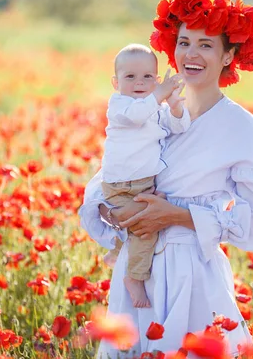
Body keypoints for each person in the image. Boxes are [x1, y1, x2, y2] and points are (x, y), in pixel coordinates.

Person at [79, 0, 253, 357]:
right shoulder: (151, 110)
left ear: (228, 56)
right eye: (184, 41)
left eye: (206, 45)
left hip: (193, 273)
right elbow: (108, 176)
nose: (191, 53)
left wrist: (181, 216)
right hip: (136, 273)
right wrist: (114, 211)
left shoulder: (243, 129)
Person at [100, 43, 190, 309]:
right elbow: (137, 117)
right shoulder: (120, 105)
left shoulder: (156, 108)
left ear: (157, 79)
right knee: (144, 229)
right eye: (130, 77)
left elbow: (178, 127)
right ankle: (134, 277)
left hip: (142, 183)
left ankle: (117, 251)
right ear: (116, 82)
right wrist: (160, 94)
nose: (140, 83)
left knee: (138, 221)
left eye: (148, 77)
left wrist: (174, 107)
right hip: (119, 184)